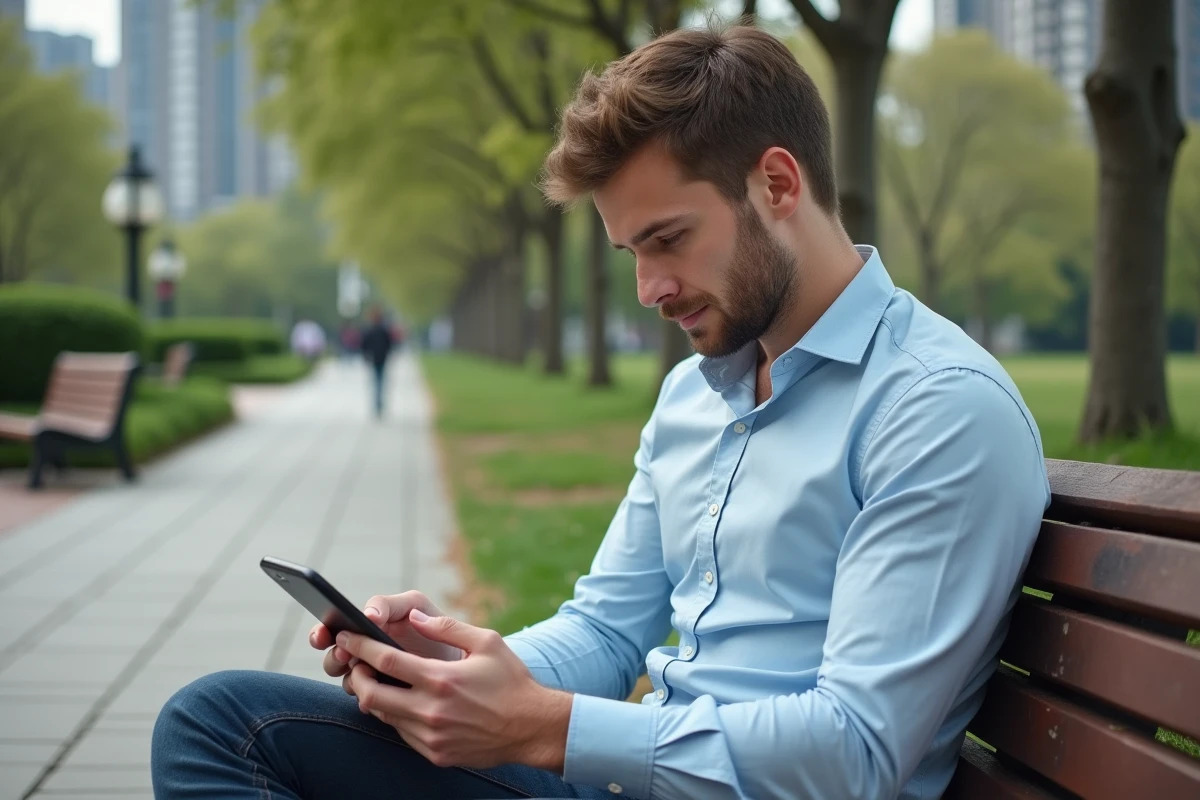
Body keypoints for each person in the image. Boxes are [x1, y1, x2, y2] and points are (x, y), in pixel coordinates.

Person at [151, 23, 1049, 800]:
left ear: (778, 185)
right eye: (628, 251)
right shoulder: (695, 393)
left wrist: (547, 730)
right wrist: (454, 672)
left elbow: (855, 754)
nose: (649, 288)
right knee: (222, 724)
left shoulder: (935, 411)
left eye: (667, 240)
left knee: (224, 728)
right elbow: (608, 629)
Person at [360, 307, 397, 417]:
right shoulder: (383, 330)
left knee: (376, 381)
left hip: (375, 358)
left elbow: (364, 345)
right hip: (381, 358)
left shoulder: (370, 330)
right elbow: (389, 344)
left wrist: (366, 356)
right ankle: (378, 403)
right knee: (380, 381)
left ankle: (377, 403)